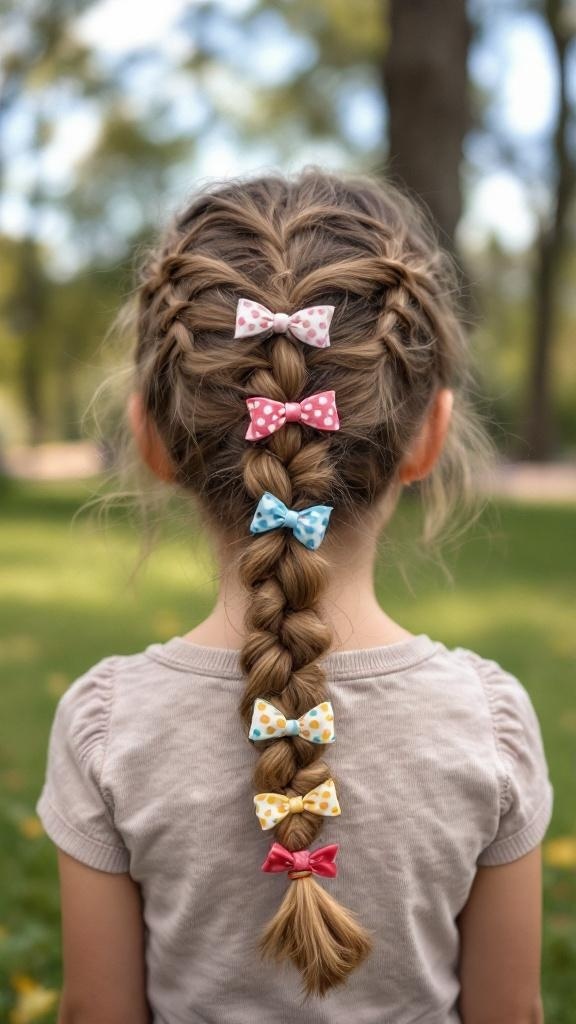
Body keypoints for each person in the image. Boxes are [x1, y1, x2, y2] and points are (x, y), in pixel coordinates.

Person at [36, 168, 554, 1024]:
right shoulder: (488, 722)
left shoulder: (107, 724)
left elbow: (96, 1013)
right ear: (428, 438)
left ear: (151, 441)